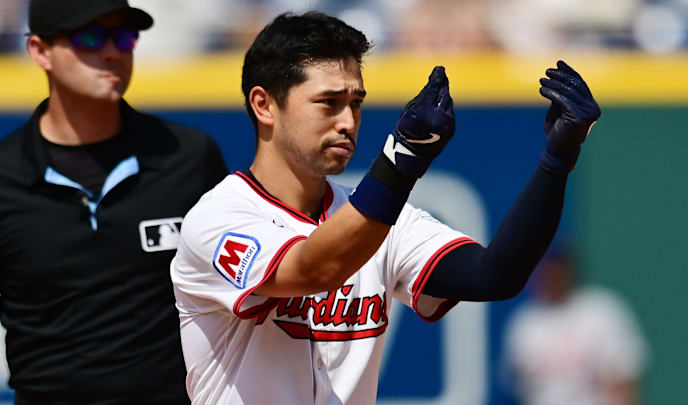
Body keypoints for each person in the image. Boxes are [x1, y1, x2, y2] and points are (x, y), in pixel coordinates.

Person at [170, 11, 601, 405]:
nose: (348, 121)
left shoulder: (378, 218)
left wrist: (556, 161)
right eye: (328, 102)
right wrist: (399, 165)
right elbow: (311, 271)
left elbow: (495, 274)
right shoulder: (218, 218)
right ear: (264, 105)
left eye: (356, 102)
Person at [0, 0, 228, 404]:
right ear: (39, 51)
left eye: (124, 36)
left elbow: (238, 300)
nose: (111, 51)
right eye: (89, 36)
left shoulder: (190, 157)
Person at [504, 242, 648, 405]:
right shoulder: (525, 323)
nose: (551, 275)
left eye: (557, 268)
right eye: (546, 268)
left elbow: (625, 381)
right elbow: (520, 386)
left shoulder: (602, 311)